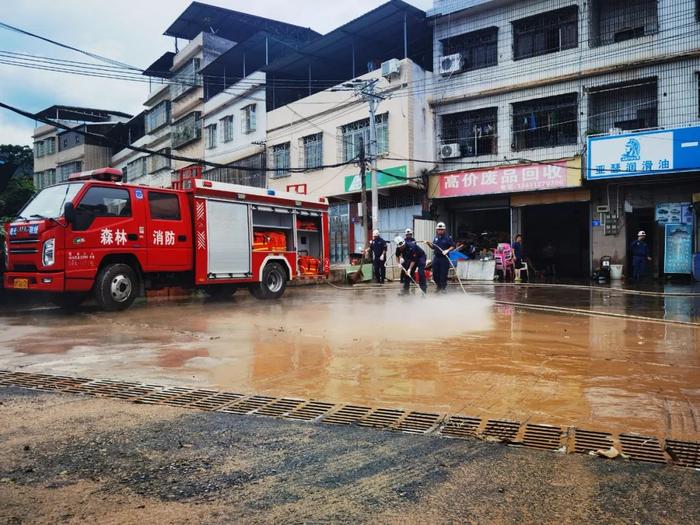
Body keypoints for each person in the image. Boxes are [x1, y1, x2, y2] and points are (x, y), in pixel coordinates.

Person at [426, 222, 455, 293]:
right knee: (435, 273)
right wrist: (428, 243)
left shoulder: (448, 238)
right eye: (439, 229)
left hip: (444, 258)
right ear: (437, 230)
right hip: (437, 258)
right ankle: (438, 286)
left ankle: (443, 288)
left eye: (441, 229)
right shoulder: (436, 238)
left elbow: (453, 246)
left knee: (443, 274)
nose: (440, 231)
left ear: (444, 230)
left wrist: (447, 250)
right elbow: (433, 247)